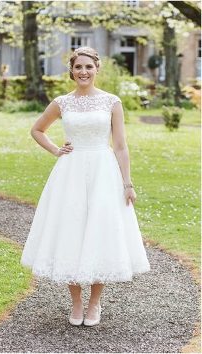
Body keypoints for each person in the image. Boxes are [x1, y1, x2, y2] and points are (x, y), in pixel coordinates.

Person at [21, 46, 150, 327]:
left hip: (104, 171)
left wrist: (128, 183)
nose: (83, 72)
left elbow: (120, 146)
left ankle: (95, 303)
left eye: (88, 67)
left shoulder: (112, 102)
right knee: (72, 231)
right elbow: (37, 129)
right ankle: (76, 301)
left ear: (97, 69)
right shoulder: (62, 102)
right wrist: (56, 150)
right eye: (78, 67)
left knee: (99, 232)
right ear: (71, 71)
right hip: (71, 172)